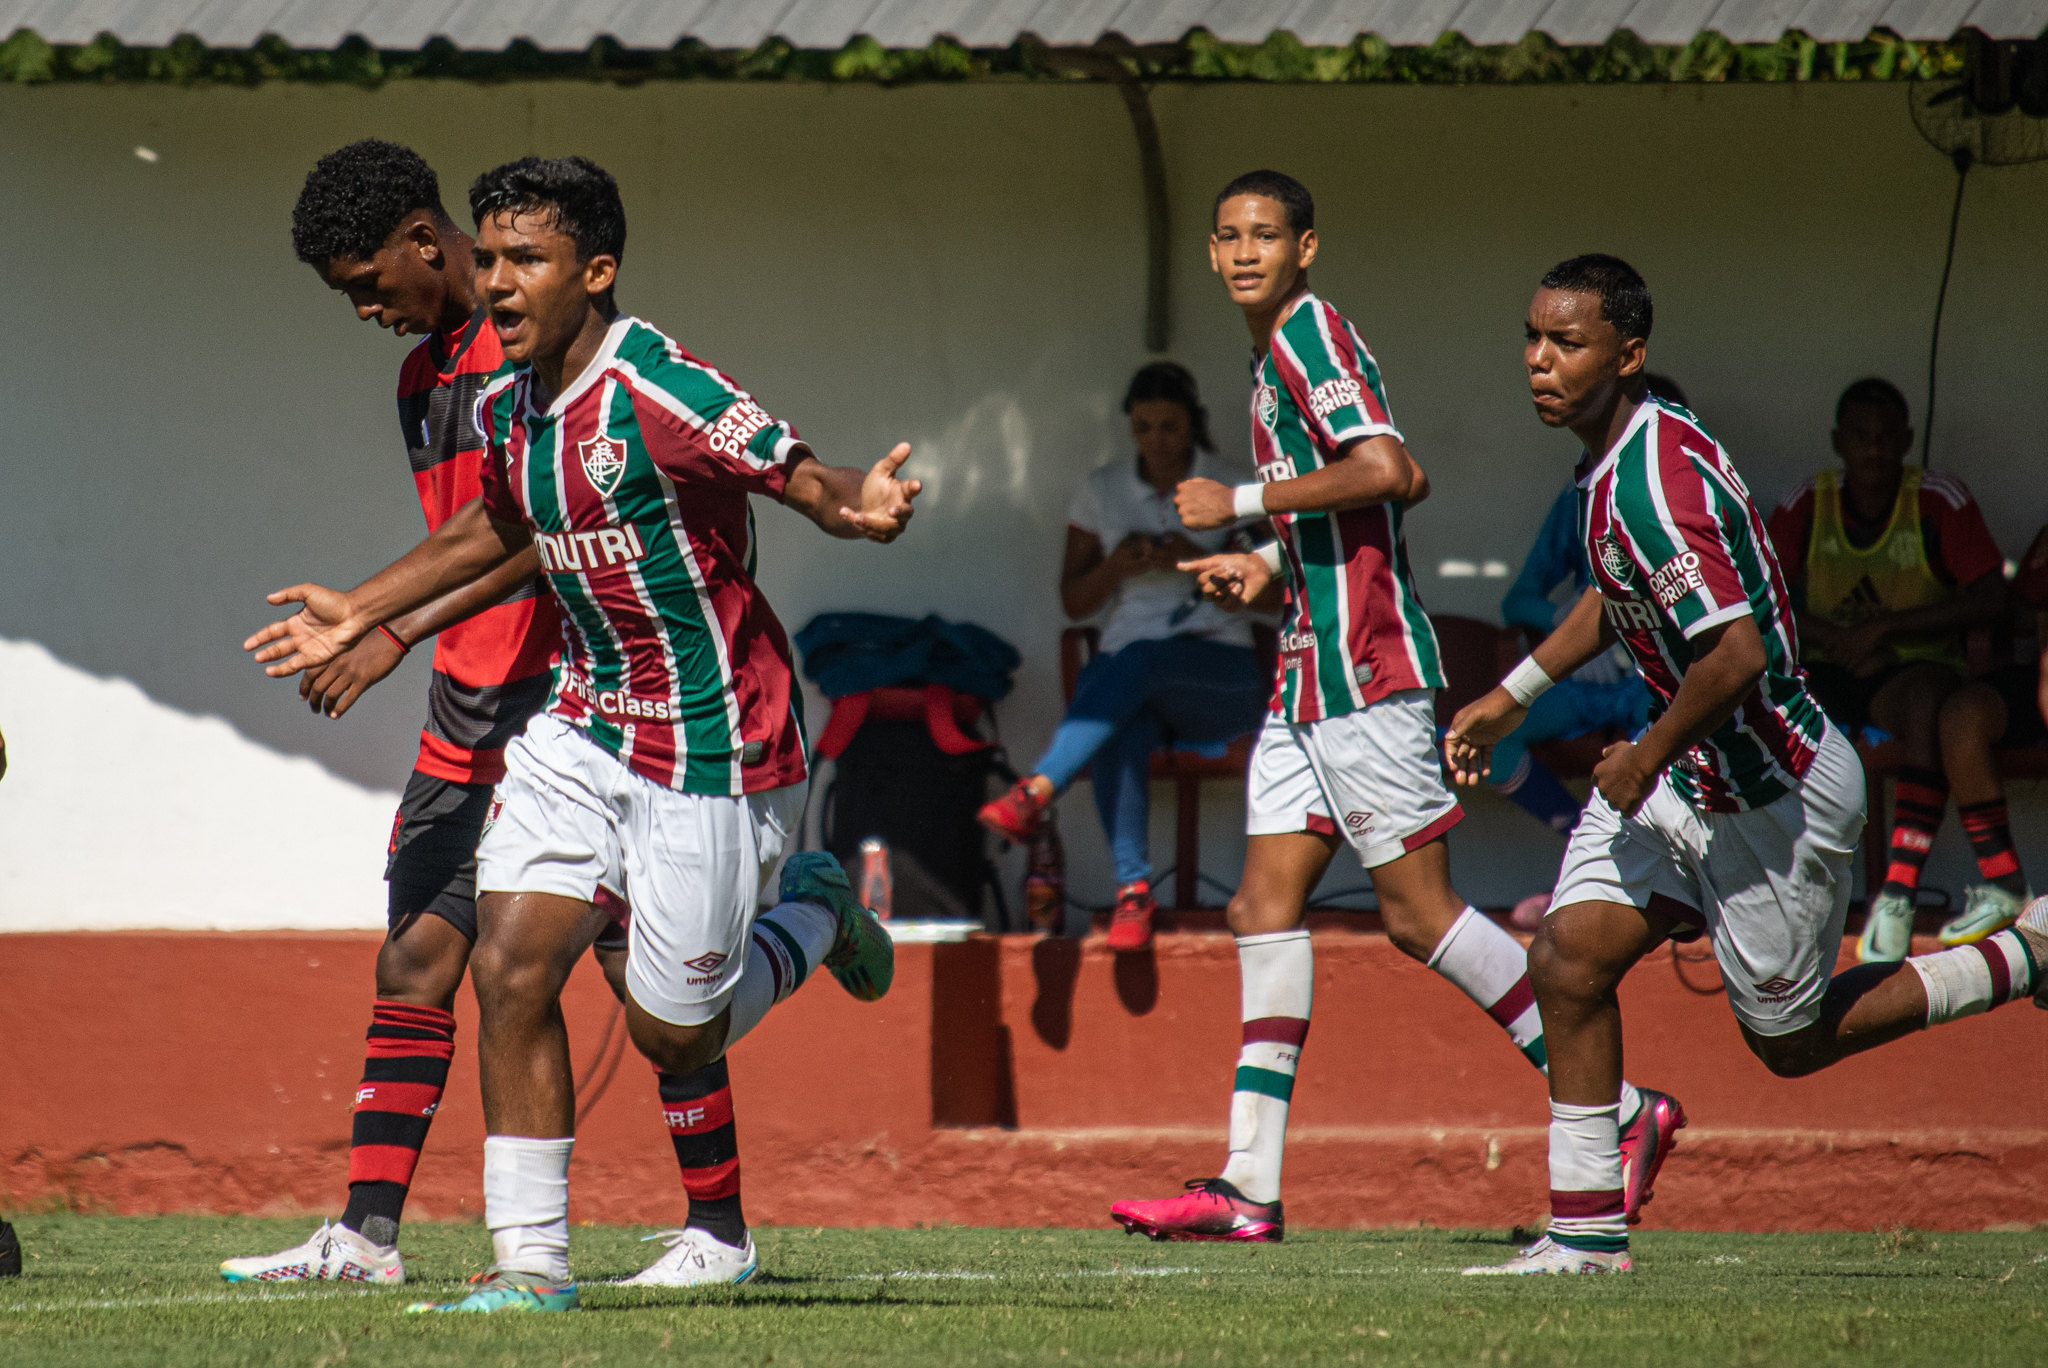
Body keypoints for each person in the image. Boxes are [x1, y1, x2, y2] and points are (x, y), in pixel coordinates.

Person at [246, 156, 915, 1312]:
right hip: (579, 721)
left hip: (708, 737)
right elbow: (500, 522)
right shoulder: (503, 401)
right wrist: (364, 606)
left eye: (526, 262)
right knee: (506, 966)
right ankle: (531, 1271)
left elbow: (795, 471)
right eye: (493, 258)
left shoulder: (659, 383)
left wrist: (850, 503)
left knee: (667, 1028)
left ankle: (812, 915)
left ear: (594, 272)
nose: (498, 281)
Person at [1104, 172, 1680, 1244]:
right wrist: (1268, 564)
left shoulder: (1307, 338)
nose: (1240, 252)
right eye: (1226, 235)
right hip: (1303, 672)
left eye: (1263, 235)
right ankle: (1245, 1188)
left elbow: (1389, 473)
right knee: (1258, 908)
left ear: (1305, 246)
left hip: (1364, 673)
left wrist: (1235, 501)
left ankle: (1620, 1110)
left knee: (1418, 915)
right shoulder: (1275, 344)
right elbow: (1347, 508)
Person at [1449, 254, 2048, 1277]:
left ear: (1628, 354)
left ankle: (2026, 952)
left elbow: (1732, 657)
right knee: (1564, 960)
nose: (1536, 361)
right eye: (1532, 337)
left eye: (1566, 343)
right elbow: (1617, 595)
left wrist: (1637, 757)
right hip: (1686, 780)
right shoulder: (1617, 462)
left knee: (1791, 1041)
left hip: (1772, 801)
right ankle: (1586, 1237)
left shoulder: (1650, 482)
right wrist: (1511, 699)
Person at [222, 141, 650, 1287]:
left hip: (568, 700)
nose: (366, 307)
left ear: (428, 239)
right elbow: (468, 534)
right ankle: (365, 1237)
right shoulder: (423, 377)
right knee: (414, 958)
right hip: (466, 705)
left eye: (372, 281)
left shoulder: (534, 347)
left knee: (653, 993)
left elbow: (532, 534)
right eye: (346, 295)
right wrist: (412, 635)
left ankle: (794, 944)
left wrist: (384, 630)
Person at [976, 362, 1269, 949]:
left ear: (1193, 426)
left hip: (1221, 677)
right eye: (1143, 428)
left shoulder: (1227, 485)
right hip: (1132, 676)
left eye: (1169, 427)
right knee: (1122, 715)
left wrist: (1195, 559)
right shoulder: (1102, 490)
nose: (1156, 440)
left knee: (1139, 662)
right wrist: (1118, 564)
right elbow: (1074, 601)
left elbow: (1278, 598)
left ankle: (1036, 791)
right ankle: (1133, 893)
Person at [1765, 378, 2017, 962]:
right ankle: (1790, 890)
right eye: (1860, 437)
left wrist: (1886, 631)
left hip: (1910, 671)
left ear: (1906, 441)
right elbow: (1759, 596)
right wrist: (1837, 637)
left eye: (1886, 438)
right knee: (1775, 718)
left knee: (1931, 706)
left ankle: (1899, 891)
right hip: (1828, 668)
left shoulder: (1937, 498)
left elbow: (1993, 598)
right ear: (1838, 441)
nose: (1874, 450)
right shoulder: (1808, 500)